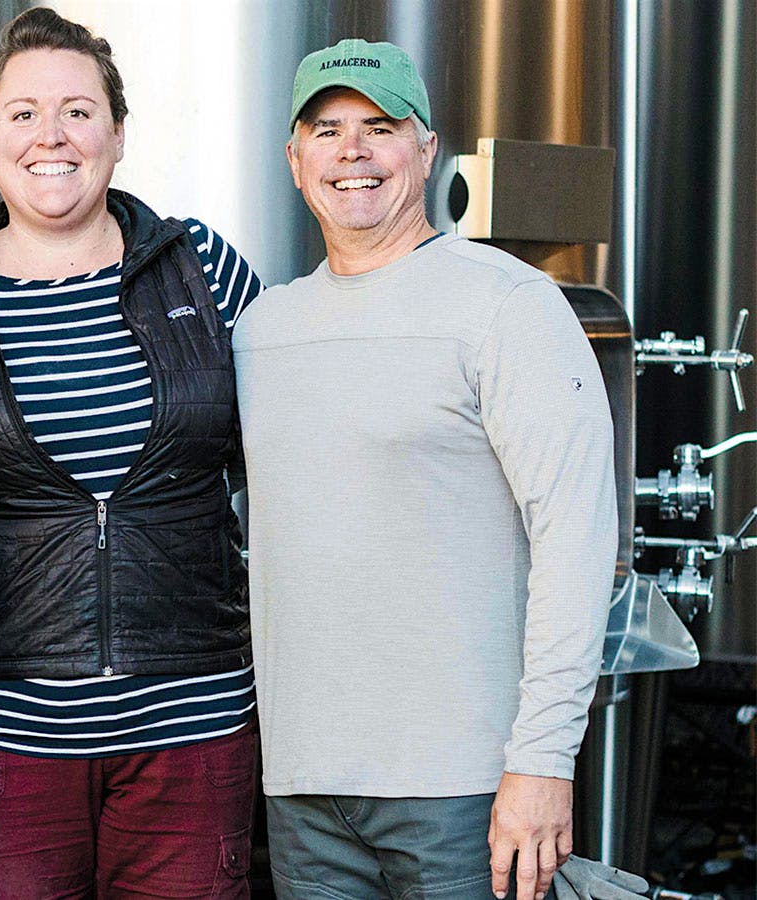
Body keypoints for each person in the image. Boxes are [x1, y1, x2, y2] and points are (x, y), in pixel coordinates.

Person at [0, 9, 262, 898]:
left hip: (196, 728)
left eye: (77, 111)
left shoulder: (200, 267)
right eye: (22, 113)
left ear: (118, 134)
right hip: (9, 739)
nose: (50, 136)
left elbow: (294, 457)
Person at [232, 38, 617, 900]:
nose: (353, 152)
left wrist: (543, 761)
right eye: (326, 131)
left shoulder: (506, 304)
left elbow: (579, 539)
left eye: (380, 126)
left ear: (426, 146)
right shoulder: (262, 330)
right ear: (295, 162)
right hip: (304, 787)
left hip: (467, 786)